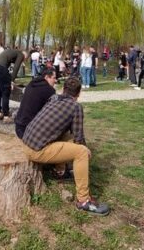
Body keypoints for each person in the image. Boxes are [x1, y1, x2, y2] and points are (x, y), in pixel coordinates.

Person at [21, 77, 110, 216]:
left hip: (27, 142)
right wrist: (86, 151)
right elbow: (79, 137)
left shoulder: (54, 98)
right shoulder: (76, 107)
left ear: (63, 89)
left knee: (67, 135)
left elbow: (68, 132)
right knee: (81, 152)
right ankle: (83, 201)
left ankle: (60, 172)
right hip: (36, 150)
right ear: (79, 94)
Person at [15, 68, 57, 139]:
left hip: (18, 126)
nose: (55, 81)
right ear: (46, 77)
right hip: (29, 130)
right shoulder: (49, 90)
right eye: (54, 78)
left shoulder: (31, 84)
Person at [0, 47, 25, 122]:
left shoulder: (10, 51)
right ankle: (6, 116)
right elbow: (16, 68)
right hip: (1, 69)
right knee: (6, 92)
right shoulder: (21, 54)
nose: (23, 60)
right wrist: (12, 81)